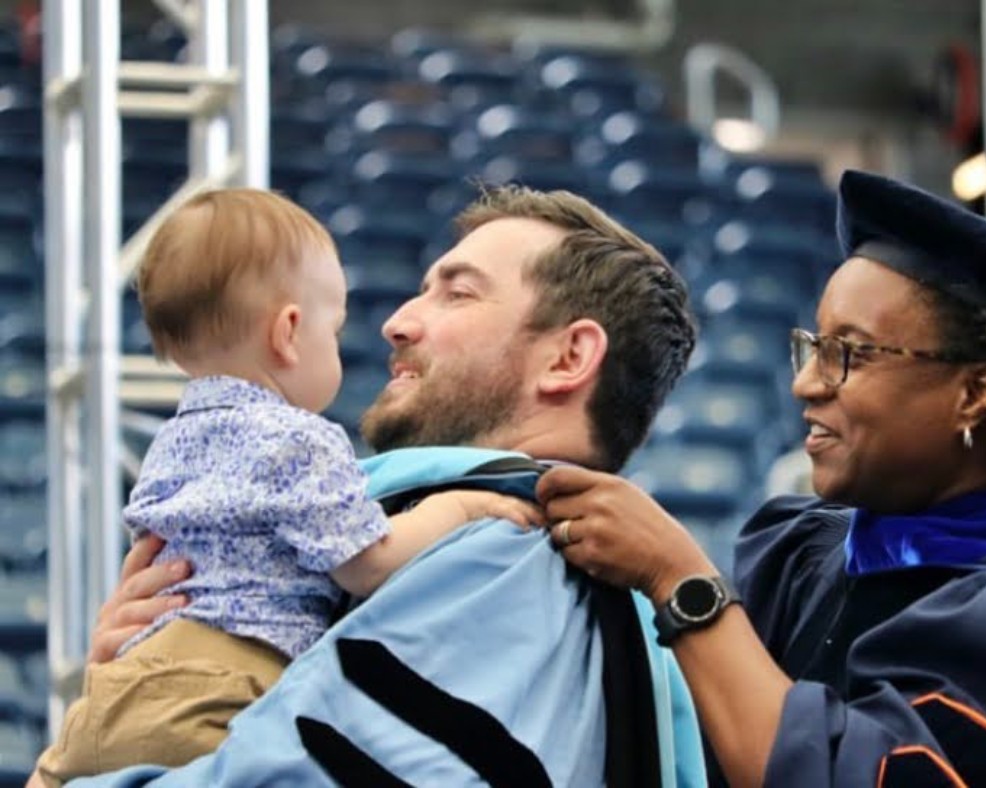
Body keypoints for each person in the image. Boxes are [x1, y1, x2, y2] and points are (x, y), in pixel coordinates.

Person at [535, 170, 986, 787]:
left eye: (847, 354)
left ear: (974, 393)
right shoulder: (814, 551)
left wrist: (681, 582)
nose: (805, 383)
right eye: (814, 346)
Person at [53, 185, 705, 787]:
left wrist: (62, 776)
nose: (396, 321)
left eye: (458, 293)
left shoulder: (505, 551)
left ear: (567, 358)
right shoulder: (431, 529)